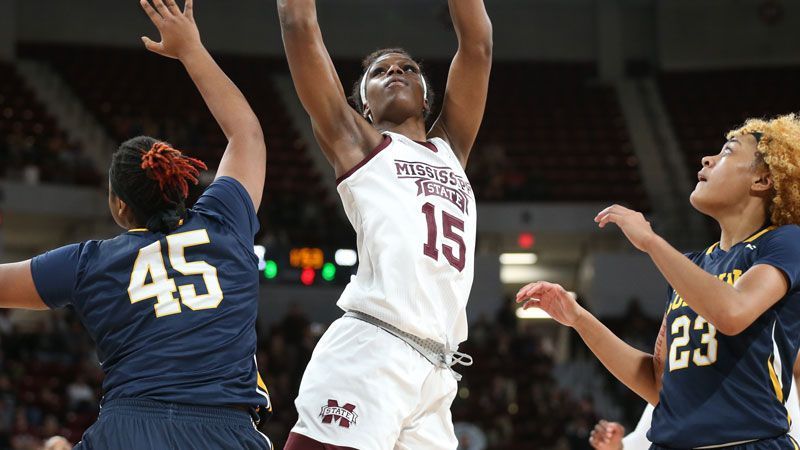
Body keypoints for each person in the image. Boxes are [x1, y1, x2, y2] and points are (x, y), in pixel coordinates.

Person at [0, 1, 271, 448]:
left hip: (129, 430)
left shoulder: (89, 264)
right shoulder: (227, 220)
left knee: (54, 445)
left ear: (118, 206)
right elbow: (247, 133)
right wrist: (191, 50)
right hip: (226, 430)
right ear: (183, 185)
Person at [276, 0, 492, 448]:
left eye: (409, 68)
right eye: (380, 72)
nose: (396, 72)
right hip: (372, 349)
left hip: (435, 371)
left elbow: (478, 48)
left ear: (427, 97)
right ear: (365, 107)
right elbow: (299, 26)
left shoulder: (451, 149)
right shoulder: (358, 144)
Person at [518, 114, 800, 449]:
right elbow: (657, 383)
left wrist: (651, 241)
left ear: (763, 180)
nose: (707, 159)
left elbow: (733, 312)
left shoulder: (784, 242)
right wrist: (578, 318)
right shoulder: (694, 265)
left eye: (727, 152)